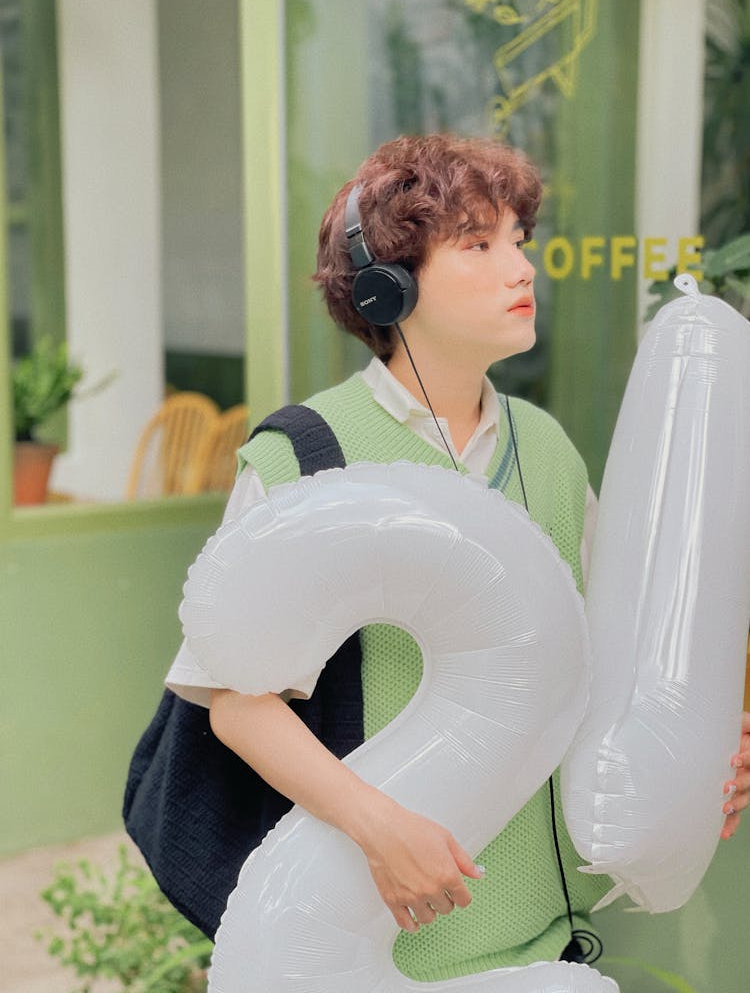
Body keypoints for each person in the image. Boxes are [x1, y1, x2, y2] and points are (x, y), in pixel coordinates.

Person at [165, 133, 750, 981]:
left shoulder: (547, 449)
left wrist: (688, 762)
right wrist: (380, 829)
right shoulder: (306, 454)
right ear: (388, 284)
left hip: (542, 935)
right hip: (381, 943)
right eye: (479, 244)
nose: (521, 269)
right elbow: (237, 703)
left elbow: (593, 663)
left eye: (520, 240)